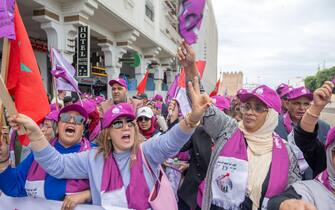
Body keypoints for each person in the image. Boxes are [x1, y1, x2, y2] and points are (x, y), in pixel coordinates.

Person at [7, 80, 211, 209]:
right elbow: (57, 165)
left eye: (128, 123)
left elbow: (170, 141)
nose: (125, 128)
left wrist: (192, 119)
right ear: (108, 134)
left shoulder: (146, 152)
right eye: (117, 124)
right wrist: (35, 132)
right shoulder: (93, 158)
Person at [178, 41, 301, 210]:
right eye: (247, 106)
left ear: (272, 115)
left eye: (258, 108)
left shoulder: (286, 151)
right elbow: (200, 101)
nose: (250, 112)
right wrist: (190, 66)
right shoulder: (228, 130)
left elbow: (294, 191)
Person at [0, 104, 93, 210]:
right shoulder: (38, 154)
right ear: (57, 126)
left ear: (83, 129)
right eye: (65, 118)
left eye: (78, 119)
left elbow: (109, 190)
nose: (71, 121)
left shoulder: (95, 155)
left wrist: (87, 195)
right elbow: (13, 187)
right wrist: (3, 160)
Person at [267, 82, 335, 210]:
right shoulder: (274, 125)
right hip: (282, 184)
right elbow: (305, 139)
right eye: (297, 103)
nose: (302, 108)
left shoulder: (324, 127)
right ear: (287, 104)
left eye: (306, 104)